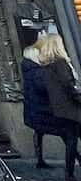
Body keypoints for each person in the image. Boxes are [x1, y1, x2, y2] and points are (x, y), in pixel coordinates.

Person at [36, 32, 81, 181]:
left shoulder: (46, 67)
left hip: (59, 108)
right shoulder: (60, 63)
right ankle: (69, 174)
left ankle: (69, 173)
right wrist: (77, 96)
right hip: (70, 107)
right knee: (72, 140)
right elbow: (68, 84)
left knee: (71, 139)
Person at [20, 25, 57, 168]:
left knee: (40, 131)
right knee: (66, 131)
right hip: (41, 104)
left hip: (35, 104)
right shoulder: (34, 67)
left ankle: (39, 159)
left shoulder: (29, 65)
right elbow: (41, 85)